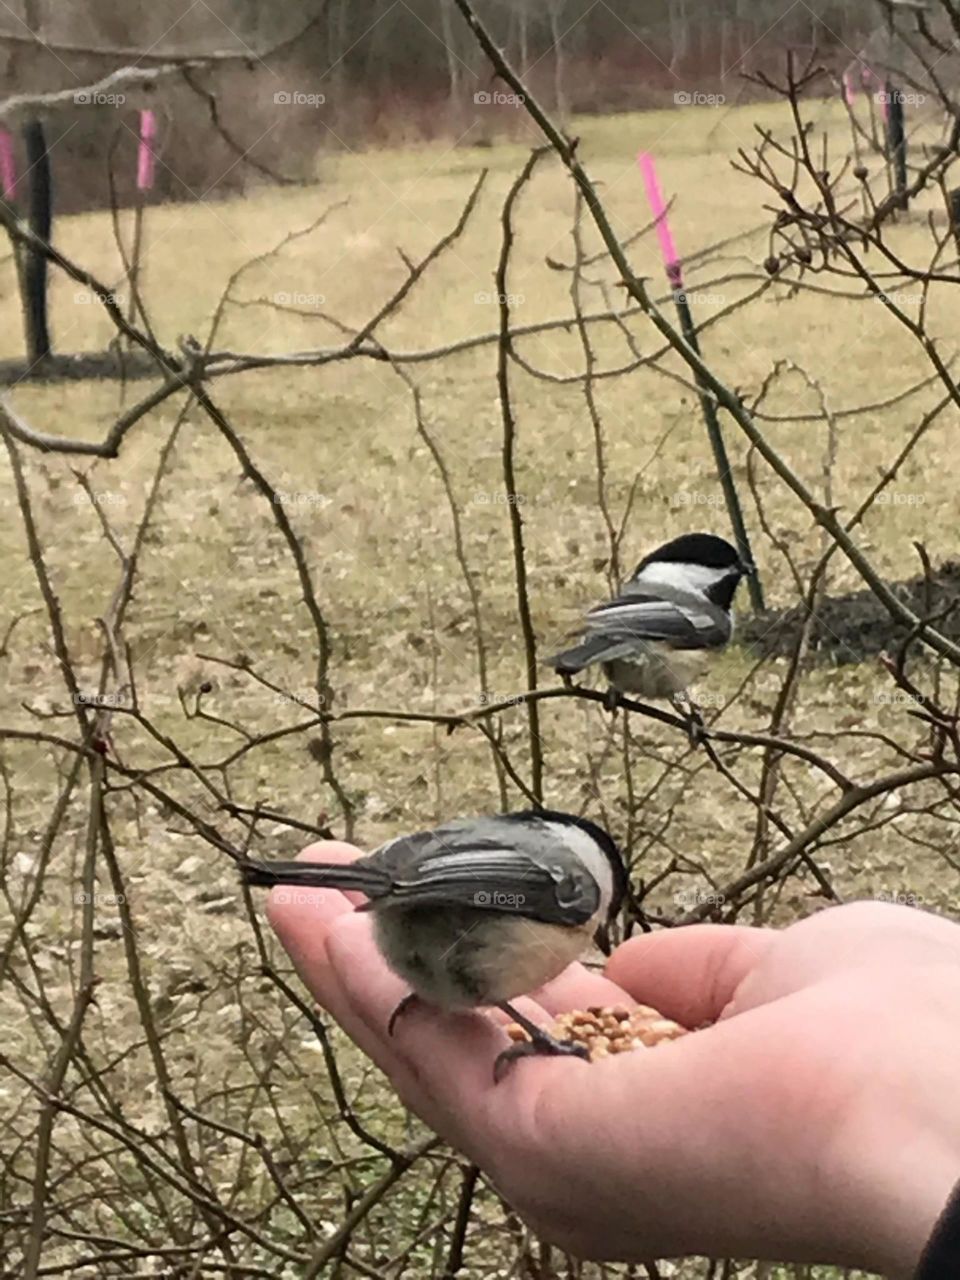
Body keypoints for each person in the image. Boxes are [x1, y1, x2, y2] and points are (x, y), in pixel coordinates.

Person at [266, 840, 960, 1278]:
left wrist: (401, 891)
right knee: (481, 982)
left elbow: (415, 875)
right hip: (432, 910)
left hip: (408, 912)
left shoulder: (507, 848)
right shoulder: (567, 878)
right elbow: (485, 898)